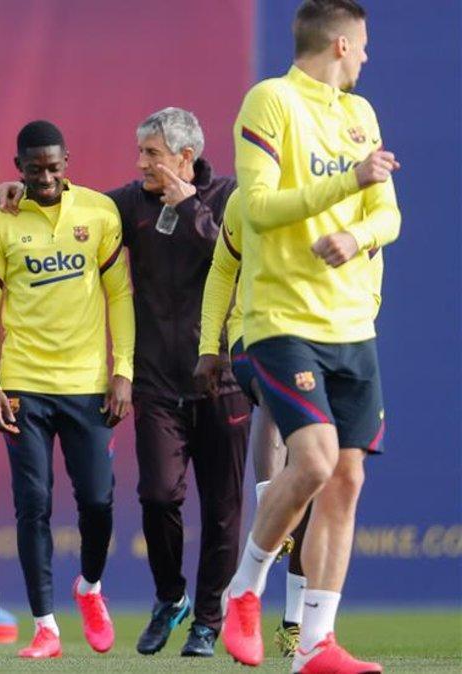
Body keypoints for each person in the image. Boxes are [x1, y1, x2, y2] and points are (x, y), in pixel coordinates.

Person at [0, 108, 247, 658]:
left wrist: (194, 210)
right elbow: (68, 201)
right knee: (157, 496)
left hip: (222, 377)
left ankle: (208, 619)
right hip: (156, 382)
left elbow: (241, 257)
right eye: (140, 154)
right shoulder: (129, 204)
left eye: (151, 155)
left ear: (185, 156)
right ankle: (169, 597)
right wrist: (21, 188)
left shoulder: (230, 198)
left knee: (223, 508)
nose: (140, 165)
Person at [219, 1, 400, 671]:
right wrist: (344, 187)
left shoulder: (361, 115)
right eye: (363, 46)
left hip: (354, 323)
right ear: (343, 45)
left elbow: (389, 215)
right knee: (316, 461)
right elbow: (259, 210)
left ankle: (315, 645)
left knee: (346, 479)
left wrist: (358, 234)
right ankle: (245, 591)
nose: (368, 58)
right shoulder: (270, 102)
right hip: (284, 318)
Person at [0, 120, 133, 659]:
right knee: (33, 504)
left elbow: (119, 296)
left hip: (88, 385)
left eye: (53, 167)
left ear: (68, 162)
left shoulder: (99, 213)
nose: (45, 177)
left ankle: (89, 589)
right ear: (17, 167)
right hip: (24, 385)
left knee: (98, 501)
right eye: (34, 168)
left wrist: (123, 371)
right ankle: (46, 628)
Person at [194, 189, 312, 659]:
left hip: (326, 334)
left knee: (315, 478)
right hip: (255, 330)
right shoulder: (248, 198)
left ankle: (296, 623)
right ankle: (268, 504)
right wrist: (209, 345)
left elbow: (373, 252)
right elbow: (223, 270)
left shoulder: (336, 191)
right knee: (274, 394)